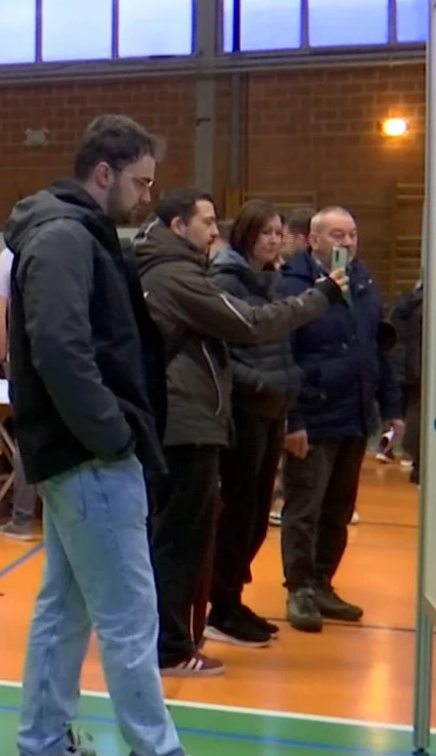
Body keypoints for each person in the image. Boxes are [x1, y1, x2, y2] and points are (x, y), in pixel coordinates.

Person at [7, 114, 241, 756]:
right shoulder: (64, 237)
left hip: (82, 454)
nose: (146, 197)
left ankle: (45, 742)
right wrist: (112, 436)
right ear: (103, 172)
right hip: (90, 458)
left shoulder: (74, 234)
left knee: (66, 606)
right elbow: (59, 346)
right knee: (130, 618)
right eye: (140, 182)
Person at [133, 190, 339, 675]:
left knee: (192, 532)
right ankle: (171, 644)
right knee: (181, 538)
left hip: (204, 416)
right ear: (177, 226)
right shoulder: (176, 275)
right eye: (205, 221)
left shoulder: (188, 271)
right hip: (187, 420)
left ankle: (178, 636)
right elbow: (248, 324)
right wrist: (322, 297)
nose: (213, 230)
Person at [276, 207, 402, 633]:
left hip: (355, 415)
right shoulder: (291, 284)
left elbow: (375, 348)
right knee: (304, 508)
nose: (346, 243)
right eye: (336, 235)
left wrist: (392, 408)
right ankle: (300, 589)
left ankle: (323, 581)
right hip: (313, 414)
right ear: (313, 240)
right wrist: (291, 419)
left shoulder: (363, 282)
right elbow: (282, 353)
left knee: (339, 509)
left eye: (352, 235)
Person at [209, 201, 312, 648]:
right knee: (238, 515)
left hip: (271, 411)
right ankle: (221, 605)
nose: (274, 239)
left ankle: (233, 598)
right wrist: (261, 387)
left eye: (279, 232)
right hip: (244, 412)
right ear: (246, 235)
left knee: (254, 520)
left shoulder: (272, 282)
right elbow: (225, 357)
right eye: (266, 232)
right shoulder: (226, 282)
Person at [0, 247, 37, 542]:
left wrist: (5, 356)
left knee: (26, 436)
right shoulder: (78, 241)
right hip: (71, 350)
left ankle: (22, 519)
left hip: (27, 356)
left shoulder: (10, 253)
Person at [389, 279, 424, 484]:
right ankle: (410, 455)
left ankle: (395, 450)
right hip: (414, 365)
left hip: (403, 364)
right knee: (414, 411)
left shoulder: (406, 301)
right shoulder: (422, 306)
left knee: (407, 410)